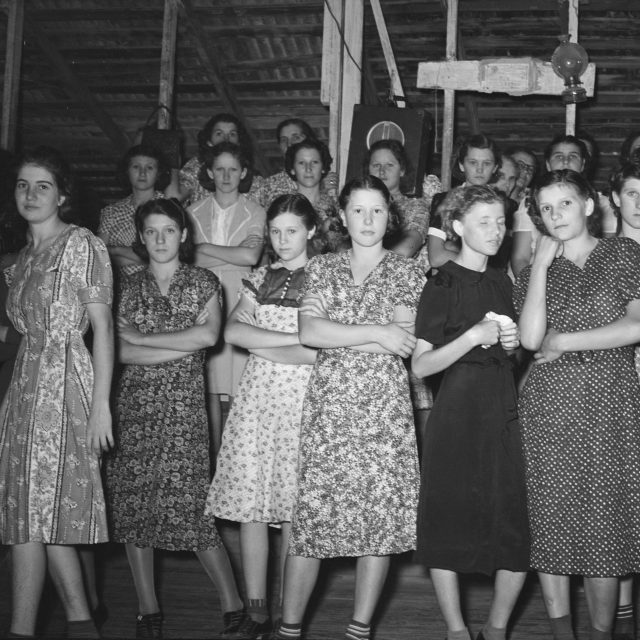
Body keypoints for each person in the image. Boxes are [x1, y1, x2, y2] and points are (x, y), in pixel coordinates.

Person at [272, 176, 424, 640]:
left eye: (377, 210)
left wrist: (354, 331)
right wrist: (375, 331)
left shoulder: (407, 271)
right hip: (329, 413)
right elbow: (310, 333)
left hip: (384, 414)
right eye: (358, 210)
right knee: (312, 521)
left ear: (390, 216)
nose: (368, 220)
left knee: (378, 523)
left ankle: (359, 629)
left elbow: (402, 342)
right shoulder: (321, 268)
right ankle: (289, 628)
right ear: (341, 216)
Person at [104, 198, 245, 640]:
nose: (161, 239)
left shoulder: (203, 280)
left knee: (193, 509)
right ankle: (148, 608)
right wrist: (174, 343)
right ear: (141, 238)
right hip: (134, 407)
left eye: (169, 230)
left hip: (184, 408)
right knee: (134, 508)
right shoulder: (125, 286)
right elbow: (119, 351)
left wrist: (144, 339)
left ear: (184, 235)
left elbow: (207, 336)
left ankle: (233, 603)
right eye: (151, 231)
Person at [514, 169, 640, 640]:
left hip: (612, 404)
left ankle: (603, 633)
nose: (555, 215)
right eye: (545, 208)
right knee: (551, 519)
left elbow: (634, 326)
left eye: (564, 204)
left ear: (588, 206)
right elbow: (528, 338)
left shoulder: (624, 253)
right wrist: (542, 268)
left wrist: (565, 339)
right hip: (550, 409)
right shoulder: (534, 272)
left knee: (604, 522)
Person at [0, 146, 114, 639]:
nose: (30, 194)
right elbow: (15, 334)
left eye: (42, 185)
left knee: (30, 520)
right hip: (25, 389)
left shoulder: (81, 245)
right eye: (24, 185)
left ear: (62, 195)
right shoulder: (22, 259)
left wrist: (102, 407)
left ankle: (20, 632)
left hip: (67, 386)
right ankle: (82, 624)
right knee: (39, 516)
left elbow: (103, 331)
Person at [412, 185, 529, 640]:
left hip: (501, 410)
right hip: (456, 414)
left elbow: (508, 357)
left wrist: (512, 347)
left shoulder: (503, 281)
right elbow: (420, 366)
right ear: (458, 227)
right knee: (448, 521)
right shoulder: (441, 281)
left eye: (501, 221)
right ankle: (457, 630)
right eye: (485, 222)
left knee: (515, 523)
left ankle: (496, 628)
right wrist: (471, 338)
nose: (496, 231)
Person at [206, 194, 318, 639]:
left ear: (310, 231)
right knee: (252, 505)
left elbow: (318, 352)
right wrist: (288, 344)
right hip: (256, 401)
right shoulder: (259, 276)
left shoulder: (325, 277)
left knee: (292, 505)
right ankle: (256, 611)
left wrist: (263, 342)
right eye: (275, 231)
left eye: (292, 230)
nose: (283, 239)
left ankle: (289, 611)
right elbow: (232, 330)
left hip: (301, 402)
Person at [188, 141, 266, 458]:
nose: (226, 175)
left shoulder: (256, 211)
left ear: (243, 172)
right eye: (219, 168)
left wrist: (205, 249)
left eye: (233, 169)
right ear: (209, 172)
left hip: (238, 297)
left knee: (237, 385)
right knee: (210, 385)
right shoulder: (192, 212)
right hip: (203, 298)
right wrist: (227, 255)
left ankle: (235, 463)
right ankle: (212, 463)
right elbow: (188, 258)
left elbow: (250, 255)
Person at [608, 158, 640, 640]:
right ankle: (621, 611)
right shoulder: (606, 254)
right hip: (614, 385)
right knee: (621, 497)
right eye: (632, 192)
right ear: (615, 199)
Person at [428, 133, 500, 268]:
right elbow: (436, 257)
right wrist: (479, 261)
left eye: (487, 163)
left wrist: (453, 250)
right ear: (461, 165)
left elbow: (496, 264)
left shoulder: (502, 205)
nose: (480, 169)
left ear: (495, 168)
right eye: (473, 162)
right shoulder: (444, 201)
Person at [98, 144, 170, 279]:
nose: (142, 173)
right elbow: (99, 254)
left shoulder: (168, 207)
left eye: (149, 167)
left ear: (158, 173)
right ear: (127, 171)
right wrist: (143, 258)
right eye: (136, 167)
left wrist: (116, 250)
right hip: (120, 289)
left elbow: (166, 255)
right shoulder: (111, 212)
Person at [365, 139, 429, 258]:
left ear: (402, 170)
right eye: (376, 165)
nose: (382, 171)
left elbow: (407, 247)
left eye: (389, 165)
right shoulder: (357, 205)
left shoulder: (415, 207)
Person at [176, 113, 257, 204]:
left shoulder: (248, 171)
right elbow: (175, 196)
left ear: (239, 142)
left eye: (232, 134)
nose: (226, 139)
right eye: (219, 134)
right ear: (209, 141)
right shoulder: (195, 167)